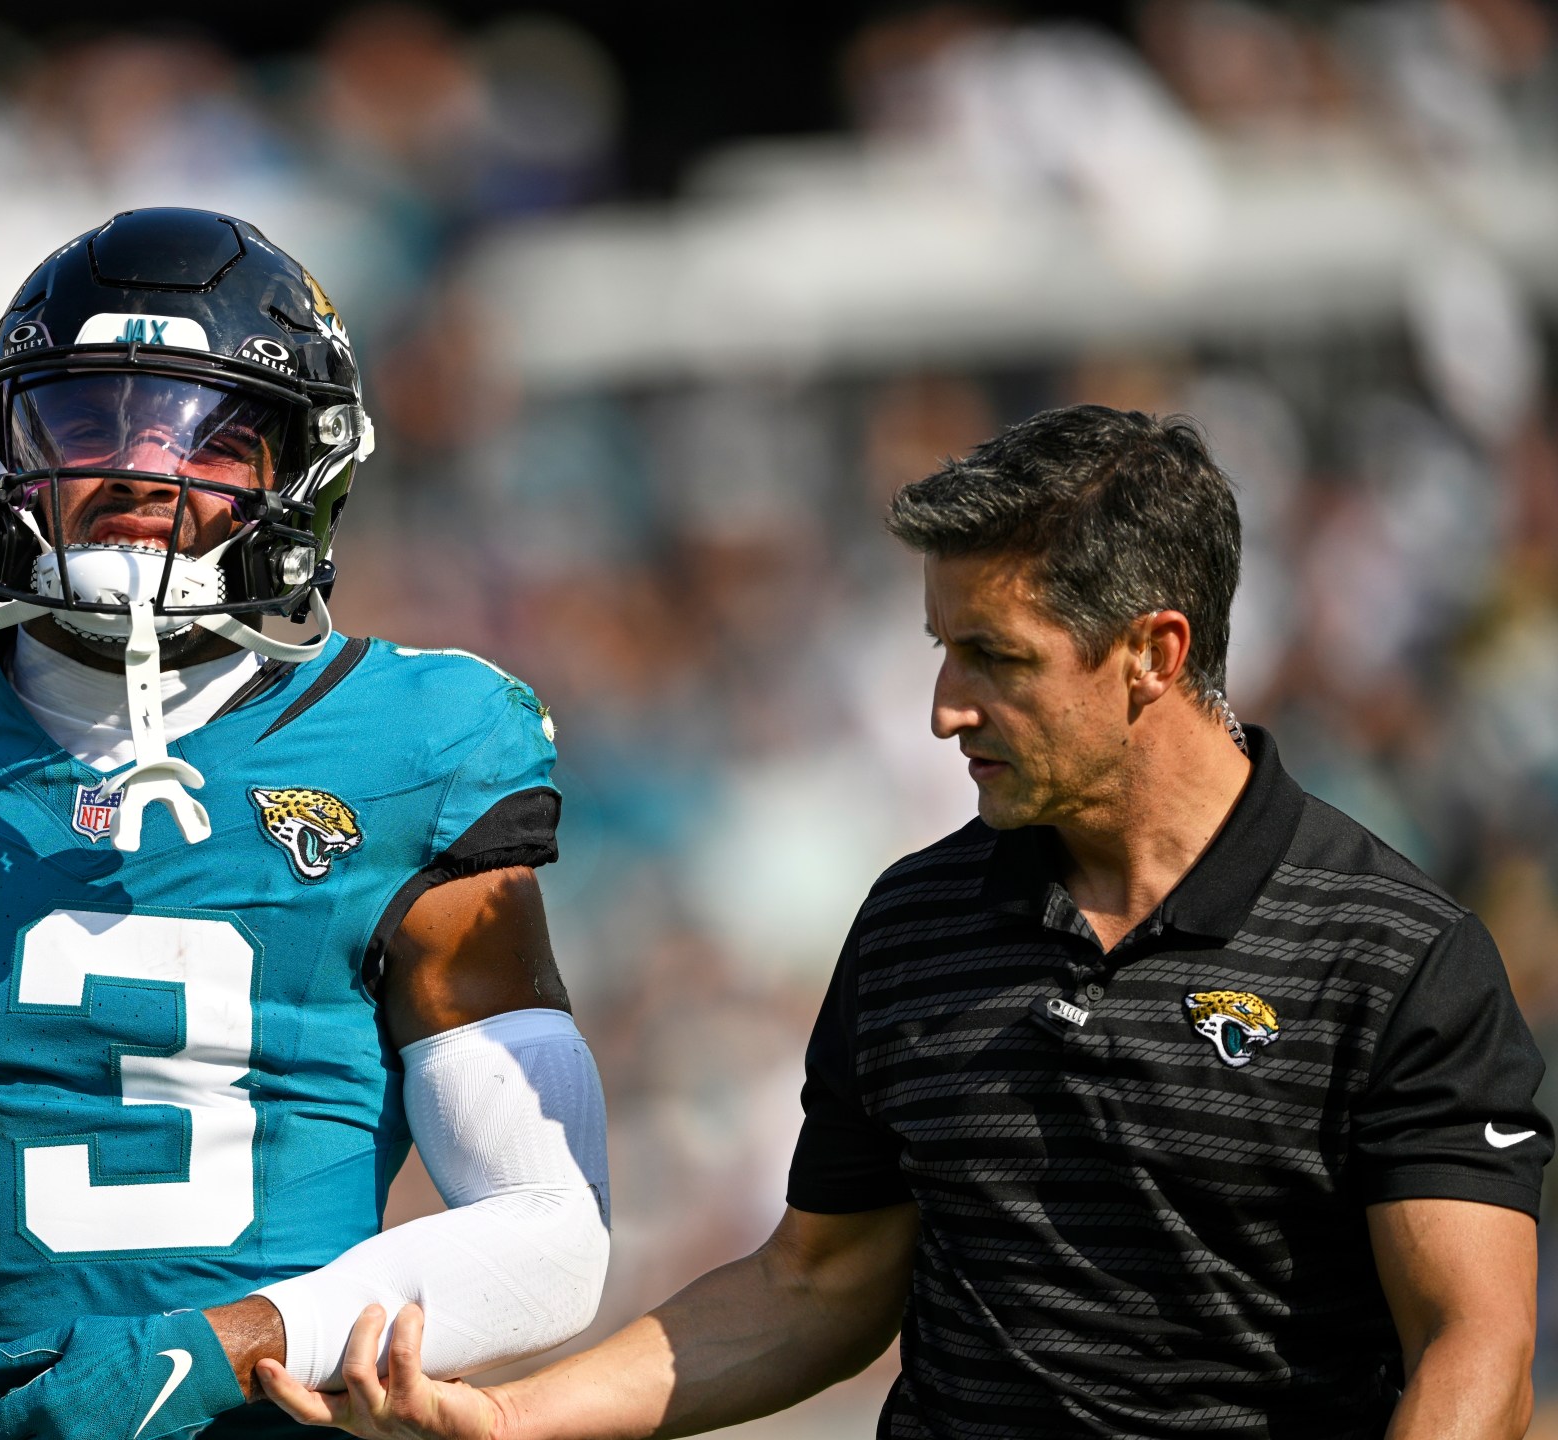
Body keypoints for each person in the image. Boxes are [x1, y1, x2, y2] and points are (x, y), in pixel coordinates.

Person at [259, 404, 1552, 1440]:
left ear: (1155, 653)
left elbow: (1474, 1356)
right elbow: (814, 1286)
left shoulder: (1398, 954)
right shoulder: (915, 924)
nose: (942, 708)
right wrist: (508, 1419)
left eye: (994, 656)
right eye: (941, 648)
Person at [0, 206, 614, 1440]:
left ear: (303, 470)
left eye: (209, 434)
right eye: (86, 422)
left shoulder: (419, 740)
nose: (141, 464)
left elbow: (553, 1234)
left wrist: (225, 1349)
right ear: (4, 444)